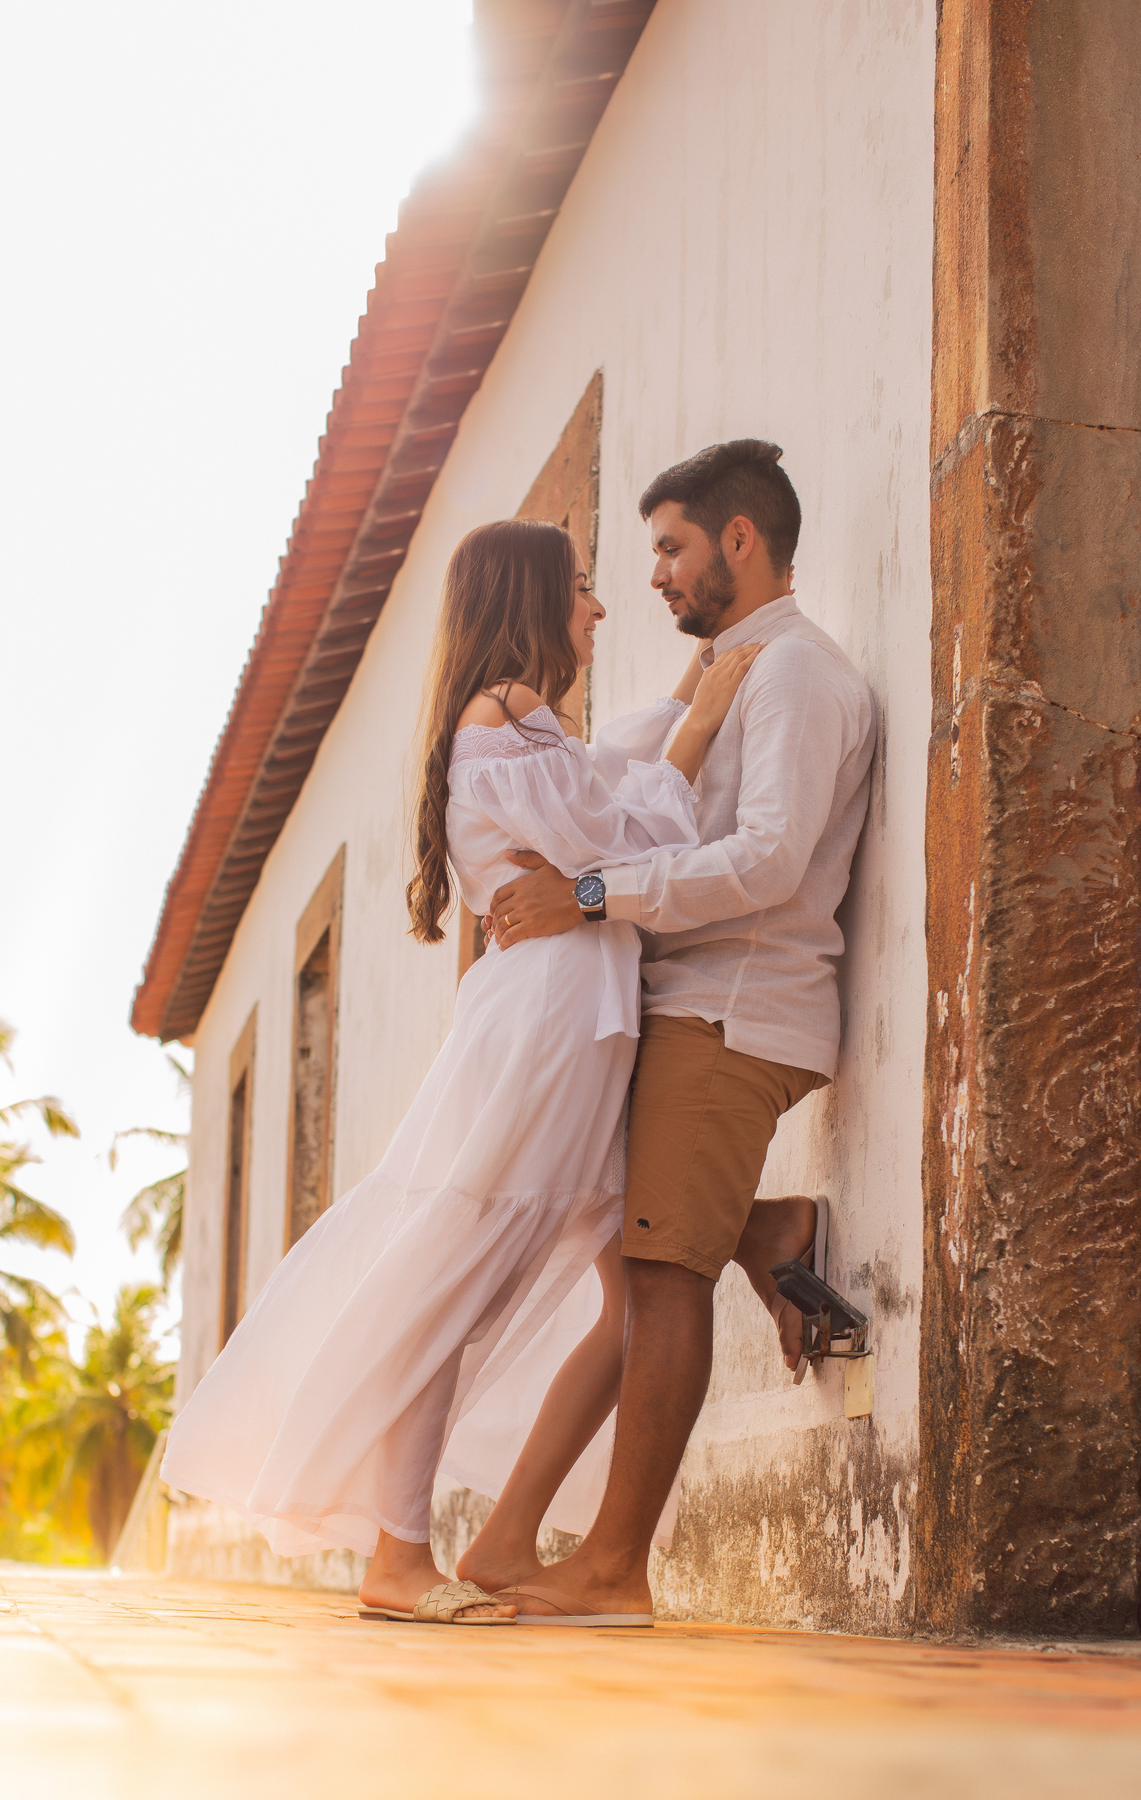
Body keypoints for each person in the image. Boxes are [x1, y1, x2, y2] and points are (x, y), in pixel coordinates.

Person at [160, 517, 758, 1626]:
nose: (598, 607)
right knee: (464, 1278)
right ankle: (400, 1553)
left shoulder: (520, 727)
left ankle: (511, 1539)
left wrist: (691, 688)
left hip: (570, 1023)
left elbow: (602, 786)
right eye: (580, 587)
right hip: (548, 1028)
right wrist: (701, 728)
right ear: (532, 599)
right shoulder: (506, 715)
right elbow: (630, 839)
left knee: (627, 1275)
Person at [459, 441, 875, 1625]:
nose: (653, 576)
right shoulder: (727, 675)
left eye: (671, 548)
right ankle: (769, 1234)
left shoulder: (796, 675)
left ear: (741, 540)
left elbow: (768, 860)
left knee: (657, 1273)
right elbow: (616, 785)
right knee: (622, 1244)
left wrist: (590, 897)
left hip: (731, 1011)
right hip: (680, 1003)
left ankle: (614, 1567)